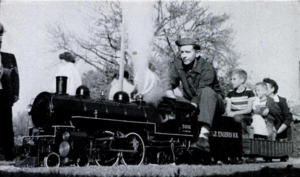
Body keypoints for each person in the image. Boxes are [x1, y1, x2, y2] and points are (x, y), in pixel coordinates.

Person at [166, 37, 224, 152]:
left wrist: (191, 105)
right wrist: (171, 99)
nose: (184, 56)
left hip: (214, 102)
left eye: (187, 52)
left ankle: (203, 137)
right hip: (191, 100)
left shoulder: (207, 68)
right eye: (182, 52)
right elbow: (169, 83)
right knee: (172, 101)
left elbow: (201, 91)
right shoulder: (177, 64)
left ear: (197, 53)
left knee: (207, 92)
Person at [0, 23, 20, 161]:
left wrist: (15, 95)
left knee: (7, 126)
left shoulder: (9, 58)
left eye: (1, 35)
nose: (0, 39)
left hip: (4, 97)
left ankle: (9, 155)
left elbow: (15, 77)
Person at [225, 69, 255, 137]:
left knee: (238, 118)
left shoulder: (249, 92)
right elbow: (228, 109)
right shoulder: (230, 93)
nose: (232, 81)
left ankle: (244, 138)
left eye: (234, 79)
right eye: (231, 79)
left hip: (246, 117)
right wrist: (229, 113)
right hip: (233, 115)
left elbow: (248, 110)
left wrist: (234, 113)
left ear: (242, 80)